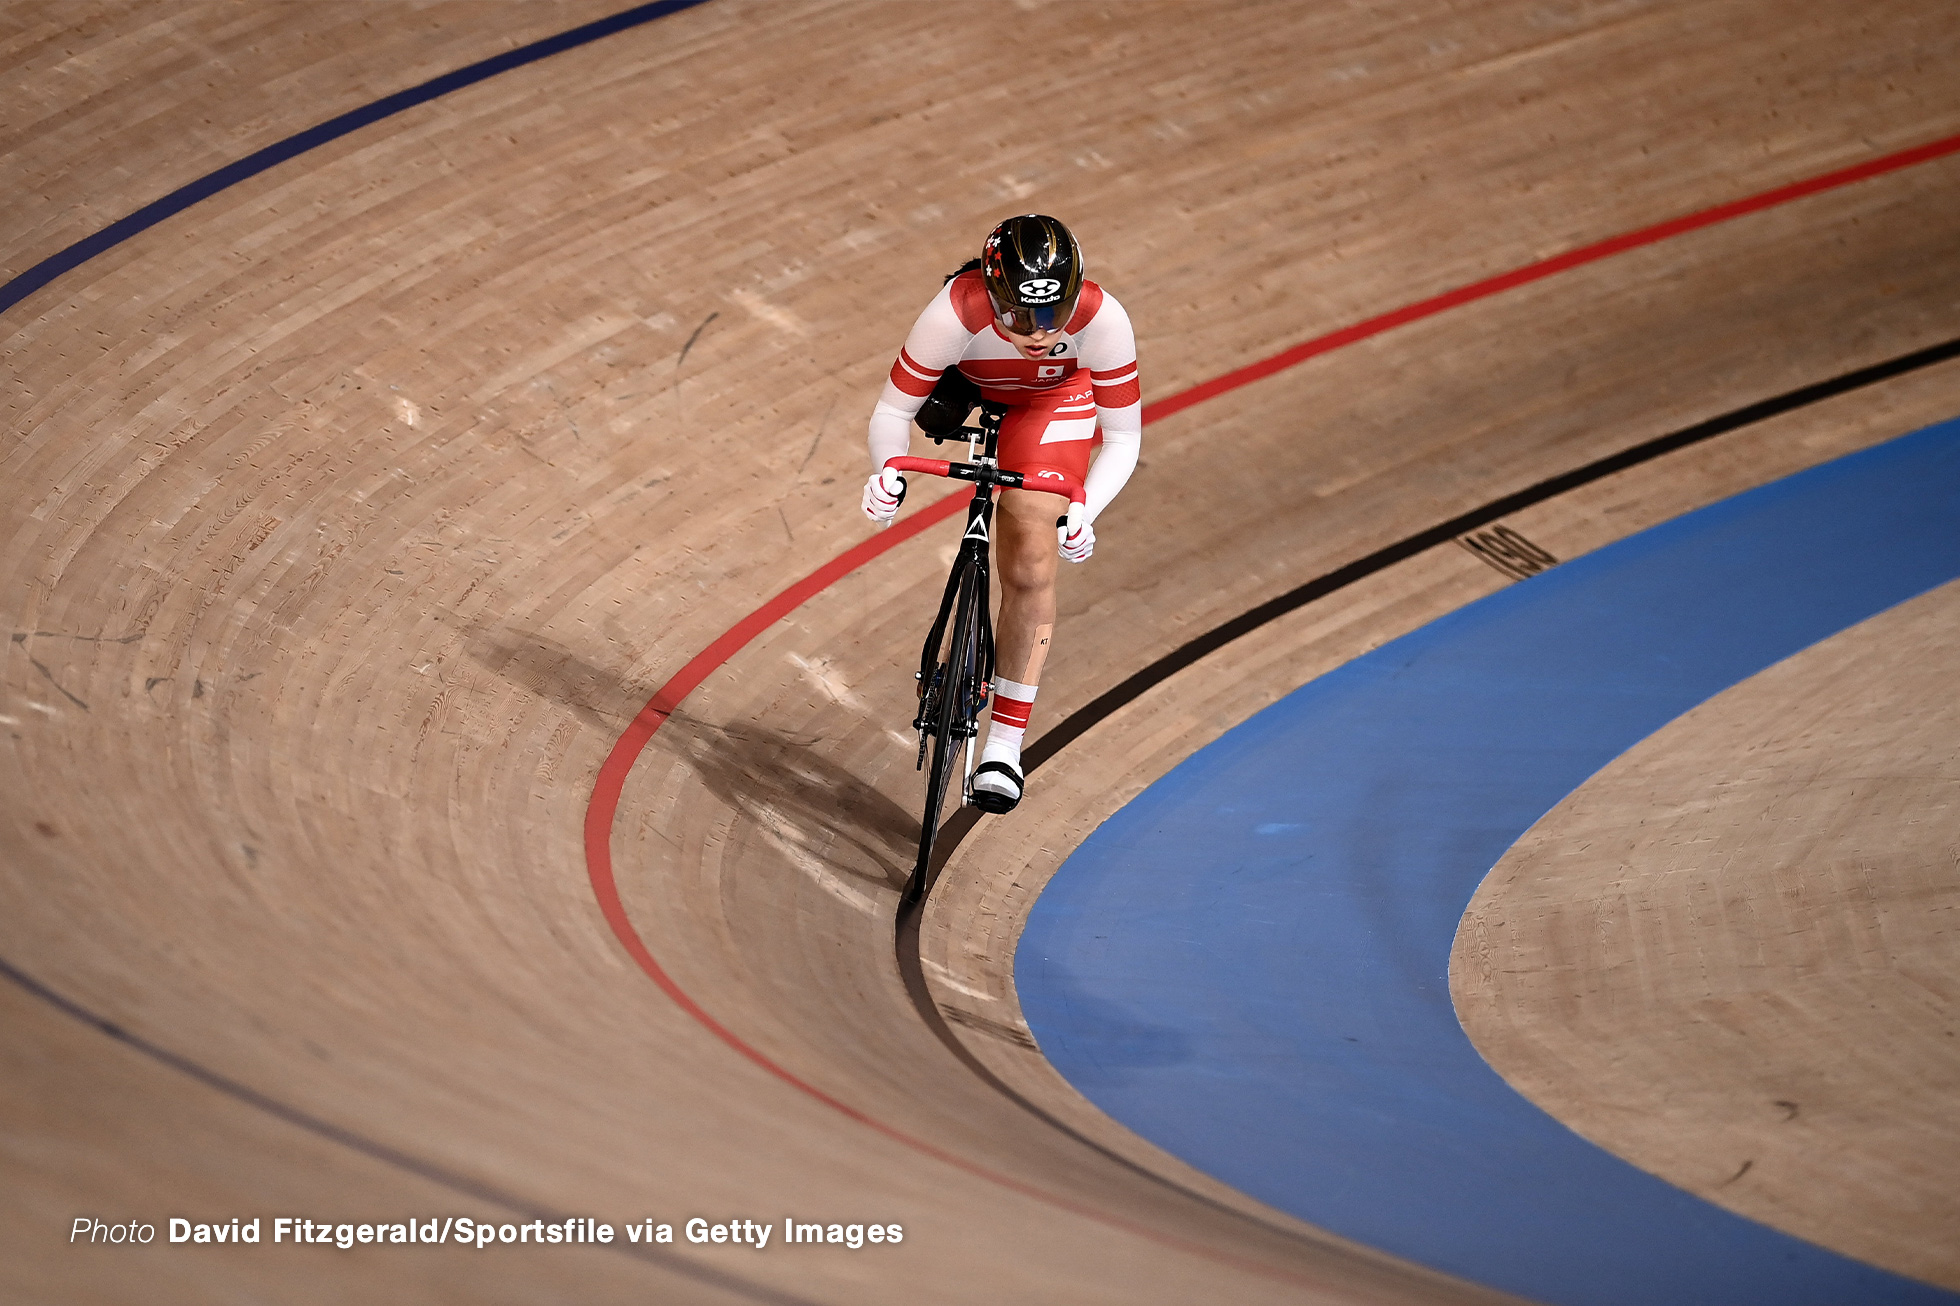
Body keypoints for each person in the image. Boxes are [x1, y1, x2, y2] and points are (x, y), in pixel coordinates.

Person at [860, 214, 1141, 813]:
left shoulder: (1103, 319)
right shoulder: (954, 313)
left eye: (1053, 316)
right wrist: (887, 471)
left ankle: (1003, 748)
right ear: (991, 298)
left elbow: (1122, 440)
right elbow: (890, 415)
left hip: (1052, 401)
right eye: (1017, 318)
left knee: (1031, 559)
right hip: (970, 394)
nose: (1039, 334)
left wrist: (1085, 511)